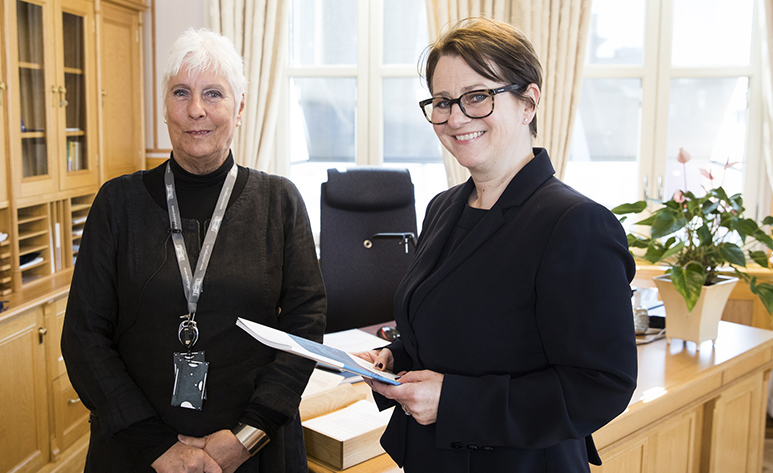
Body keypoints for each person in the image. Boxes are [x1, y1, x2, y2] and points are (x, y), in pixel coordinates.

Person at [355, 17, 637, 472]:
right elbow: (453, 328)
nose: (456, 117)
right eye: (443, 102)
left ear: (529, 102)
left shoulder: (575, 223)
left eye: (478, 96)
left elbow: (601, 385)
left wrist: (454, 402)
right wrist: (395, 356)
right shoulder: (444, 207)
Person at [61, 28, 326, 473]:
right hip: (136, 450)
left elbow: (305, 326)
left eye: (213, 94)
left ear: (240, 108)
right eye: (180, 92)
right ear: (164, 107)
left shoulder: (279, 202)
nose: (196, 110)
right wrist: (159, 448)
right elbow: (84, 337)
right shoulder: (117, 203)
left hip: (255, 450)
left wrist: (247, 437)